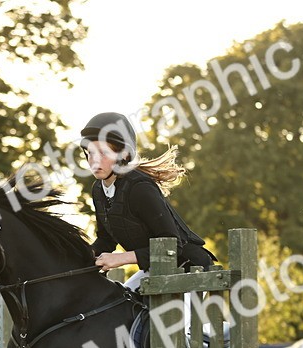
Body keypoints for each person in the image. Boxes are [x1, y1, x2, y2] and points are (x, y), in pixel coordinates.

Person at [82, 112, 216, 292]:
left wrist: (121, 258)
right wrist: (80, 257)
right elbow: (106, 239)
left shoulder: (140, 188)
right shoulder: (98, 190)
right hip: (156, 271)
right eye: (90, 153)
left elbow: (171, 245)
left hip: (189, 270)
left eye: (103, 153)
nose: (94, 160)